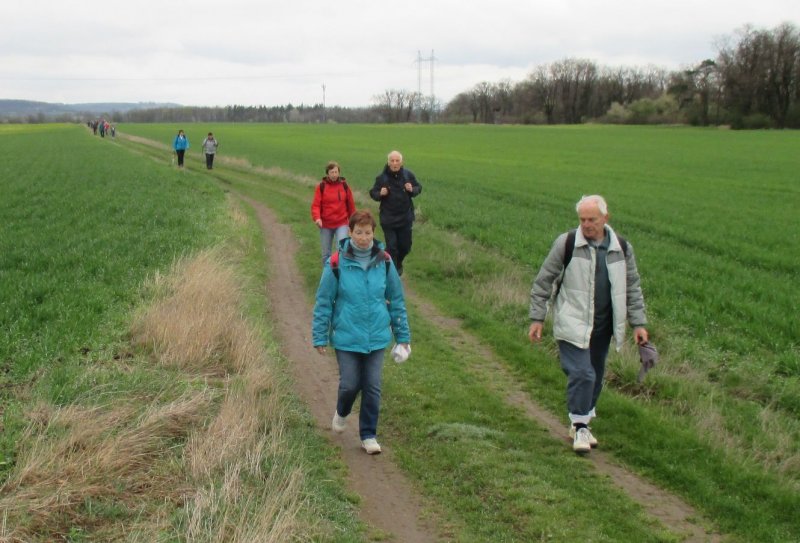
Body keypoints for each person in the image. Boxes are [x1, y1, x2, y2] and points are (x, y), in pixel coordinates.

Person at [528, 195, 649, 454]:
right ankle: (580, 426)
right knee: (583, 374)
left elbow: (632, 288)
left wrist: (638, 324)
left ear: (605, 218)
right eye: (582, 219)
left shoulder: (621, 248)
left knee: (595, 376)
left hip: (603, 327)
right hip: (572, 321)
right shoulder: (567, 243)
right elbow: (544, 281)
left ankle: (582, 421)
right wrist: (537, 318)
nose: (586, 225)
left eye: (591, 219)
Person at [312, 209, 411, 455]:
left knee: (372, 386)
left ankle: (368, 435)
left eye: (368, 233)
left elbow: (396, 300)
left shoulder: (384, 261)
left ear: (374, 233)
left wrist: (403, 338)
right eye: (358, 232)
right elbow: (324, 302)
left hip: (376, 336)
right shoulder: (336, 263)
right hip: (347, 336)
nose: (363, 238)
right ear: (350, 232)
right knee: (349, 384)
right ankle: (342, 411)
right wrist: (320, 335)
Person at [368, 150, 422, 276]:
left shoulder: (408, 175)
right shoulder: (382, 178)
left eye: (397, 161)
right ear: (388, 162)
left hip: (405, 218)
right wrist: (380, 194)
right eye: (392, 161)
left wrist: (412, 189)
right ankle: (392, 273)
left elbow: (418, 187)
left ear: (401, 162)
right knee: (392, 247)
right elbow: (373, 193)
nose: (395, 163)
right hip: (388, 219)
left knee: (405, 247)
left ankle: (397, 262)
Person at [310, 161, 356, 266]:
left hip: (342, 223)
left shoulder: (345, 186)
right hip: (325, 224)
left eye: (336, 172)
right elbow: (316, 205)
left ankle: (340, 272)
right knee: (326, 254)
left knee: (341, 250)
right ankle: (327, 273)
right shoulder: (321, 187)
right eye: (332, 172)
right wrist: (317, 218)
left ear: (339, 173)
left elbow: (351, 206)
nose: (334, 174)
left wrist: (353, 222)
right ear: (327, 174)